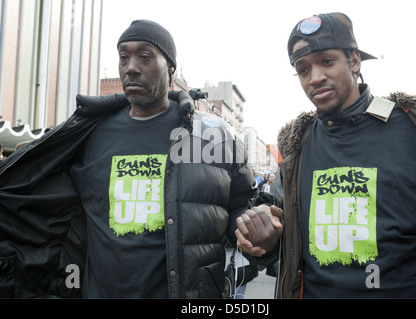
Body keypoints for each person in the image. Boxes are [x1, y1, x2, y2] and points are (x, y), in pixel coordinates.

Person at [0, 19, 256, 298]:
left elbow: (243, 208)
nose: (131, 67)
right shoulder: (88, 134)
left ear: (170, 67)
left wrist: (255, 229)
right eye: (124, 57)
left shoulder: (213, 136)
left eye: (145, 56)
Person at [236, 12, 416, 298]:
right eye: (303, 69)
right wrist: (267, 238)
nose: (315, 78)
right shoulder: (297, 148)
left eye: (327, 61)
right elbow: (285, 243)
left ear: (355, 61)